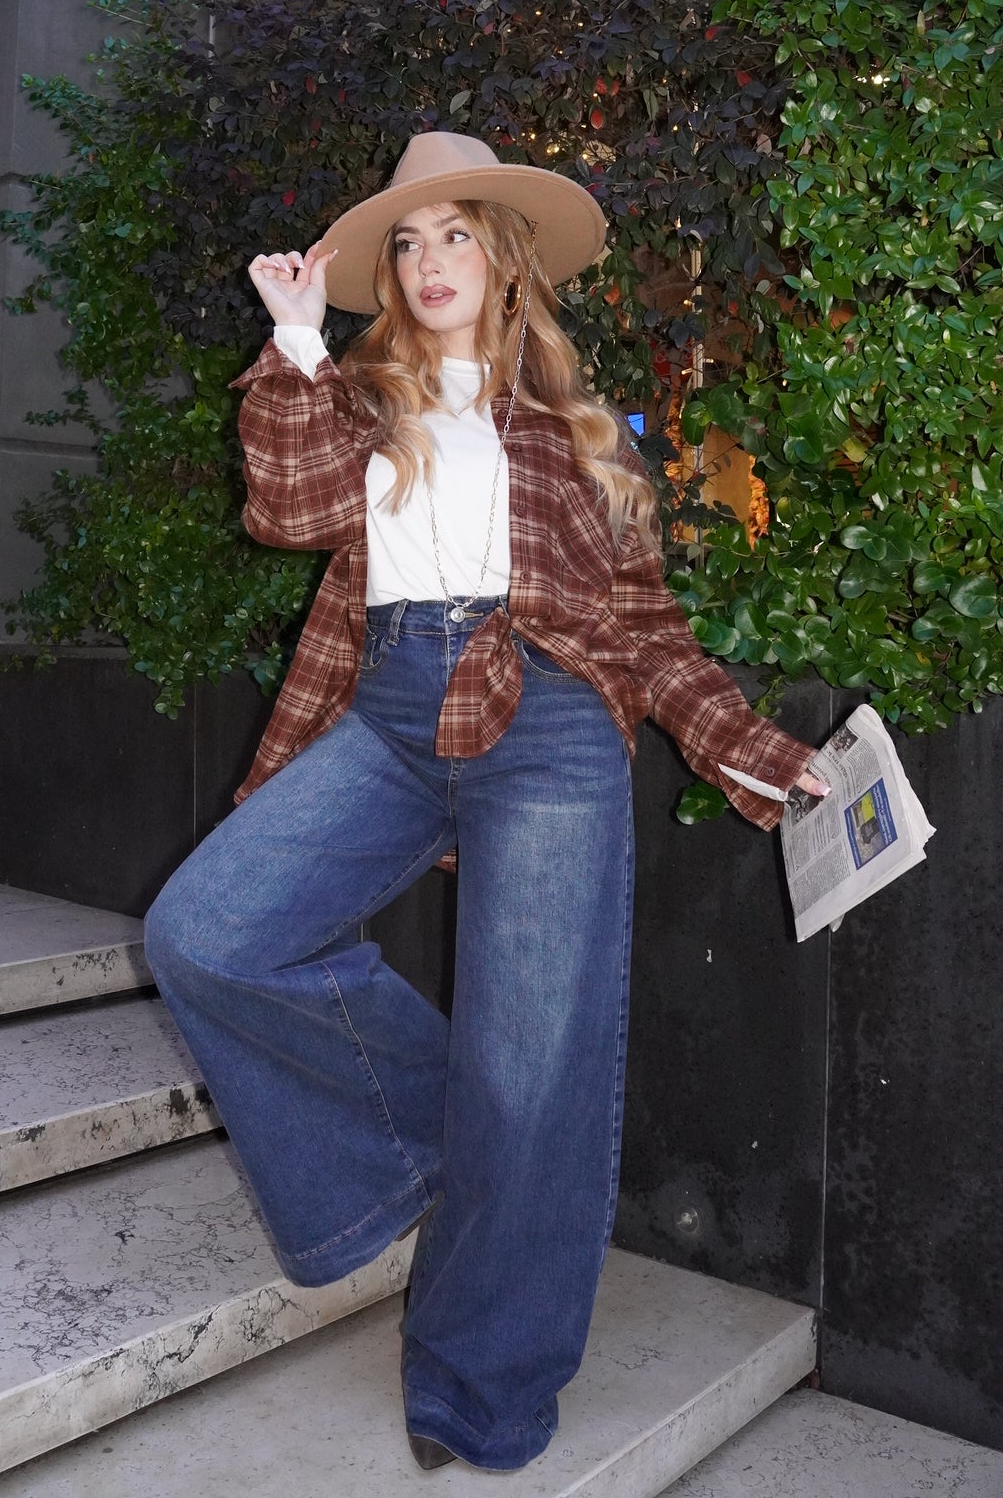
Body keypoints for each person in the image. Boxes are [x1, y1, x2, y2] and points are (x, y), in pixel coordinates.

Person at [144, 130, 828, 1474]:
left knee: (536, 1067)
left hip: (552, 724)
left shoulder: (582, 435)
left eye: (456, 232)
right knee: (207, 931)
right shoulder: (359, 399)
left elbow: (648, 634)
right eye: (407, 241)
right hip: (394, 709)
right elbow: (287, 509)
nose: (427, 260)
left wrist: (753, 749)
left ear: (509, 262)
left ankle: (481, 1384)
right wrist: (295, 339)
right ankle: (451, 1136)